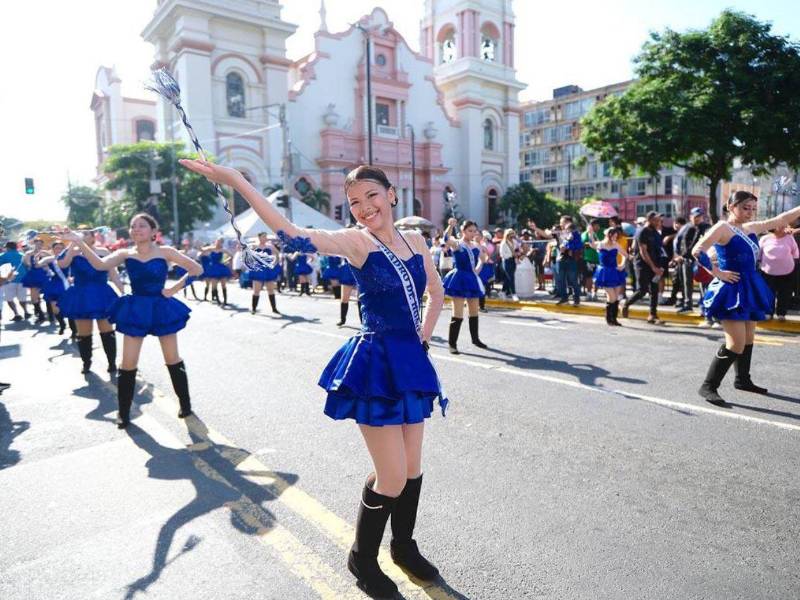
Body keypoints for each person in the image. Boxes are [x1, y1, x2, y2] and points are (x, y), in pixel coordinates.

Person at [180, 158, 446, 598]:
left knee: (411, 469)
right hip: (375, 365)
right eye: (355, 202)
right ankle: (363, 559)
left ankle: (403, 547)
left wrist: (424, 337)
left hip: (410, 361)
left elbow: (435, 291)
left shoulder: (415, 240)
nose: (364, 208)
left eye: (372, 196)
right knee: (393, 477)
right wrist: (237, 181)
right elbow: (291, 234)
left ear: (392, 194)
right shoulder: (356, 243)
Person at [64, 214, 203, 428]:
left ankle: (185, 404)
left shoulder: (166, 252)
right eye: (133, 226)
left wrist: (172, 290)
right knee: (128, 363)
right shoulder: (125, 253)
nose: (136, 229)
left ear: (153, 231)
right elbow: (100, 265)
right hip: (136, 308)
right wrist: (79, 242)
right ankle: (123, 412)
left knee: (172, 358)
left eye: (142, 225)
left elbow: (197, 269)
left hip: (160, 307)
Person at [692, 191, 800, 407]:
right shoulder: (722, 228)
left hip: (750, 286)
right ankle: (708, 386)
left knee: (749, 339)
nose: (749, 212)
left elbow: (781, 219)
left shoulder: (750, 228)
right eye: (744, 208)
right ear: (731, 206)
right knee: (736, 344)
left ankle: (742, 379)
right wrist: (717, 272)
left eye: (752, 208)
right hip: (731, 289)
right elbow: (697, 250)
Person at [58, 228, 123, 374]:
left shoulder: (103, 252)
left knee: (107, 330)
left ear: (93, 237)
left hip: (102, 294)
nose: (81, 234)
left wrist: (123, 292)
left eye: (86, 233)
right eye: (79, 233)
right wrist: (72, 243)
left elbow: (114, 274)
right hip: (81, 295)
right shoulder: (72, 251)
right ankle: (86, 363)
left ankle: (112, 363)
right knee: (84, 333)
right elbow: (62, 264)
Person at [442, 218, 488, 354]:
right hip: (459, 279)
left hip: (472, 278)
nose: (473, 233)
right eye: (470, 231)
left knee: (474, 311)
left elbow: (482, 259)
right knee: (458, 313)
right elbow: (445, 239)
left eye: (474, 231)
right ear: (463, 231)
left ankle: (475, 339)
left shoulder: (476, 245)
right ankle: (452, 344)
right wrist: (450, 226)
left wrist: (477, 270)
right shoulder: (458, 244)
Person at [622, 211, 664, 324]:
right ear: (649, 220)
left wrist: (659, 266)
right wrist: (653, 267)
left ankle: (653, 315)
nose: (658, 222)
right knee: (642, 290)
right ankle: (626, 304)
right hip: (642, 265)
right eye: (656, 220)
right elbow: (643, 252)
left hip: (654, 264)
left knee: (654, 290)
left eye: (659, 220)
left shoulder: (655, 232)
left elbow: (658, 249)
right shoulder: (642, 232)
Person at [759, 225, 799, 321]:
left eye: (784, 226)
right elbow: (759, 254)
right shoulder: (765, 238)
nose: (784, 228)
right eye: (781, 226)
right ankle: (768, 312)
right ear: (773, 227)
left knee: (784, 293)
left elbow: (795, 252)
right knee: (768, 293)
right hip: (768, 271)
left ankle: (781, 313)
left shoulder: (790, 238)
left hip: (787, 271)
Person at [592, 227, 628, 326]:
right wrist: (590, 233)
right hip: (604, 272)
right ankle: (609, 318)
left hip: (615, 271)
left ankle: (614, 319)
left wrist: (622, 264)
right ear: (608, 235)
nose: (615, 238)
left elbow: (625, 255)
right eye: (614, 236)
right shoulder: (600, 244)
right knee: (611, 297)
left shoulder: (616, 245)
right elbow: (591, 244)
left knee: (615, 297)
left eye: (616, 236)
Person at [247, 232, 282, 314]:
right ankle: (254, 308)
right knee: (256, 290)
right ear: (259, 237)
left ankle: (274, 308)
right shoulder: (254, 246)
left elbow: (277, 254)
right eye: (263, 236)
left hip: (268, 270)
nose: (265, 238)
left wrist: (274, 263)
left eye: (266, 236)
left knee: (271, 289)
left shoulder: (270, 246)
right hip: (258, 270)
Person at [21, 237, 52, 323]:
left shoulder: (46, 253)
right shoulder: (28, 253)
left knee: (48, 295)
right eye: (37, 243)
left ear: (42, 244)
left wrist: (44, 263)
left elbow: (51, 263)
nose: (39, 245)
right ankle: (40, 314)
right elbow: (27, 264)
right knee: (34, 297)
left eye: (40, 243)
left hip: (45, 275)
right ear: (34, 244)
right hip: (34, 276)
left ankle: (51, 314)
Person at [0, 241, 28, 321]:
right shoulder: (23, 255)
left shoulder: (3, 256)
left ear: (8, 248)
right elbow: (28, 267)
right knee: (22, 298)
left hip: (8, 280)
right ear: (16, 247)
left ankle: (16, 314)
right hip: (23, 279)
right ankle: (26, 312)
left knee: (9, 299)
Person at [200, 238, 233, 305]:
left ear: (222, 243)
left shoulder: (222, 249)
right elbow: (202, 250)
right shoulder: (211, 248)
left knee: (223, 284)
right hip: (213, 268)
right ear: (215, 242)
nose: (218, 243)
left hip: (220, 267)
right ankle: (217, 300)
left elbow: (231, 255)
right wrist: (198, 244)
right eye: (217, 241)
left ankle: (225, 300)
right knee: (214, 285)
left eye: (220, 242)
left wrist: (226, 261)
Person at [581, 219, 601, 301]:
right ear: (592, 226)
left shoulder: (600, 233)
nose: (598, 227)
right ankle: (589, 293)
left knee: (597, 277)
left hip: (599, 259)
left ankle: (595, 293)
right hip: (588, 259)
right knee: (589, 277)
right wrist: (590, 235)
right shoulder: (585, 234)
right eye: (597, 225)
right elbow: (585, 244)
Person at [499, 228, 518, 300]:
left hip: (513, 260)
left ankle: (503, 292)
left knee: (508, 278)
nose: (512, 235)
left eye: (513, 233)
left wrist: (517, 253)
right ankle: (514, 294)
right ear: (507, 234)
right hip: (507, 261)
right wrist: (511, 255)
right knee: (511, 277)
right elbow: (502, 254)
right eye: (511, 233)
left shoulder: (514, 241)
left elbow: (517, 249)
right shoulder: (503, 243)